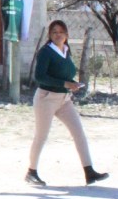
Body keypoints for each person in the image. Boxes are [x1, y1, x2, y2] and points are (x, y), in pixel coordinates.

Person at [25, 19, 109, 187]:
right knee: (41, 136)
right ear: (49, 35)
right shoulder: (46, 52)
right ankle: (31, 172)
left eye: (61, 32)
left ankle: (89, 171)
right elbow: (40, 77)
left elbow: (65, 73)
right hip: (46, 98)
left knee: (79, 133)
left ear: (66, 35)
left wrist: (72, 84)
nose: (58, 35)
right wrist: (65, 84)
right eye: (54, 32)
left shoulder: (66, 50)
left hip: (64, 99)